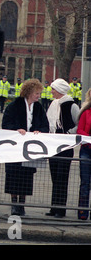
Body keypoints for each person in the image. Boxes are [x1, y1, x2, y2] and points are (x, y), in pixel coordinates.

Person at [2, 79, 49, 216]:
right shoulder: (14, 106)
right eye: (36, 93)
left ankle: (22, 204)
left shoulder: (39, 108)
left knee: (26, 175)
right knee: (13, 174)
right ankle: (14, 203)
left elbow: (44, 124)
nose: (38, 96)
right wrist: (17, 129)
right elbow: (6, 123)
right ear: (29, 92)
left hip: (30, 147)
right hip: (15, 147)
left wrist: (39, 131)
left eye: (39, 93)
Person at [45, 78, 79, 218]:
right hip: (54, 144)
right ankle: (54, 207)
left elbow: (78, 123)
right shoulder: (53, 104)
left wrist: (69, 133)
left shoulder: (72, 105)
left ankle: (61, 209)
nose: (51, 91)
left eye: (53, 89)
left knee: (62, 176)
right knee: (54, 176)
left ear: (59, 90)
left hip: (66, 145)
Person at [76, 88, 91, 220]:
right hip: (87, 149)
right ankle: (83, 212)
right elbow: (80, 129)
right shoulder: (85, 112)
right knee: (85, 182)